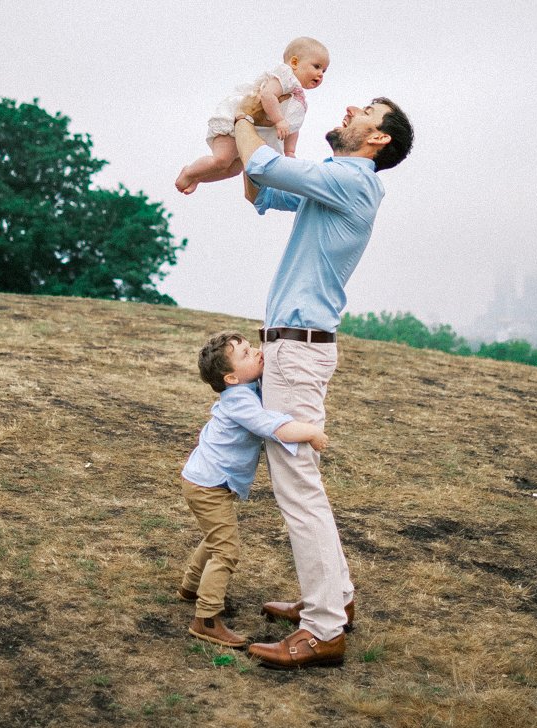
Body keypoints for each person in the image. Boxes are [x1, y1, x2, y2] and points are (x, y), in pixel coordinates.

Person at [231, 96, 413, 670]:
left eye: (367, 111)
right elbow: (259, 190)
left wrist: (240, 118)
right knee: (302, 482)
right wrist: (270, 140)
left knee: (298, 487)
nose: (351, 108)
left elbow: (258, 165)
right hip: (295, 346)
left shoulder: (352, 181)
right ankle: (338, 599)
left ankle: (324, 627)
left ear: (376, 139)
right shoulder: (337, 182)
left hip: (298, 350)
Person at [179, 331, 328, 649]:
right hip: (207, 486)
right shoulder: (240, 402)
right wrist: (311, 432)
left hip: (204, 481)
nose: (257, 352)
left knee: (215, 538)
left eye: (251, 347)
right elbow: (272, 426)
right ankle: (205, 619)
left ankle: (191, 587)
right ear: (231, 377)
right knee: (226, 550)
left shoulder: (244, 388)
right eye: (246, 354)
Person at [175, 36, 331, 194]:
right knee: (222, 159)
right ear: (295, 62)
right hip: (236, 121)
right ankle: (189, 172)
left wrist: (290, 151)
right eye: (316, 66)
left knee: (233, 170)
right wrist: (279, 120)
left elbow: (294, 127)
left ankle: (198, 178)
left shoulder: (299, 100)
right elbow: (267, 95)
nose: (320, 74)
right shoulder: (286, 76)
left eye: (324, 70)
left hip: (250, 135)